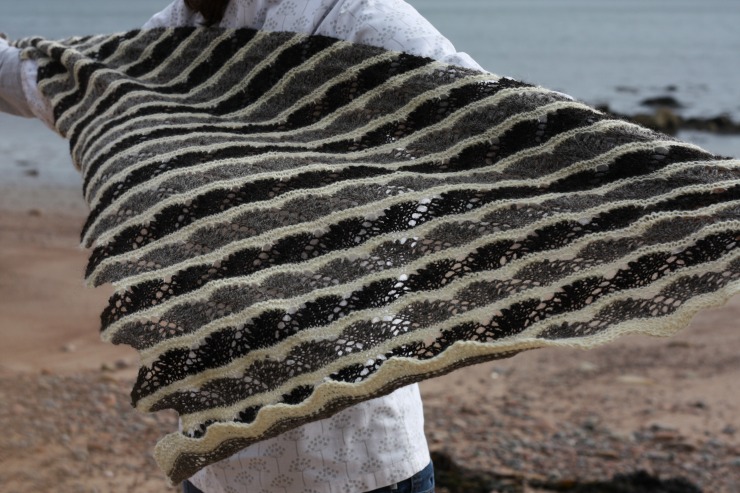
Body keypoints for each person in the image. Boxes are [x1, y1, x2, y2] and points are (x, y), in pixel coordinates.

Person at [0, 1, 485, 492]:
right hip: (217, 458)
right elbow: (58, 83)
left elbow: (488, 121)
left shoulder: (354, 16)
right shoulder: (172, 33)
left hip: (354, 463)